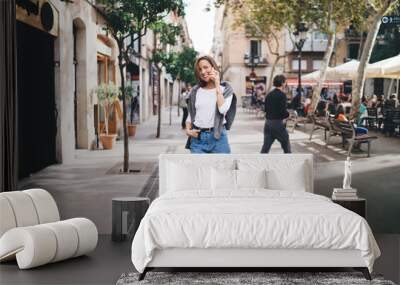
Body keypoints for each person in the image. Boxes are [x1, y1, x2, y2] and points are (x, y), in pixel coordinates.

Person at [185, 55, 236, 154]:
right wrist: (188, 130)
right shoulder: (195, 91)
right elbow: (191, 114)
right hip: (198, 138)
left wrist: (217, 84)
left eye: (206, 67)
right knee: (198, 169)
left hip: (218, 138)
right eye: (200, 69)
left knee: (223, 168)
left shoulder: (226, 90)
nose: (203, 72)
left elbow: (222, 110)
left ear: (213, 67)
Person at [260, 74, 291, 154]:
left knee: (265, 149)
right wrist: (288, 115)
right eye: (285, 82)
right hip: (278, 124)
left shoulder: (269, 95)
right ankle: (290, 164)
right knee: (287, 148)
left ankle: (259, 164)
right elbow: (283, 112)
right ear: (282, 83)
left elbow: (265, 109)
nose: (285, 84)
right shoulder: (282, 95)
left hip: (268, 124)